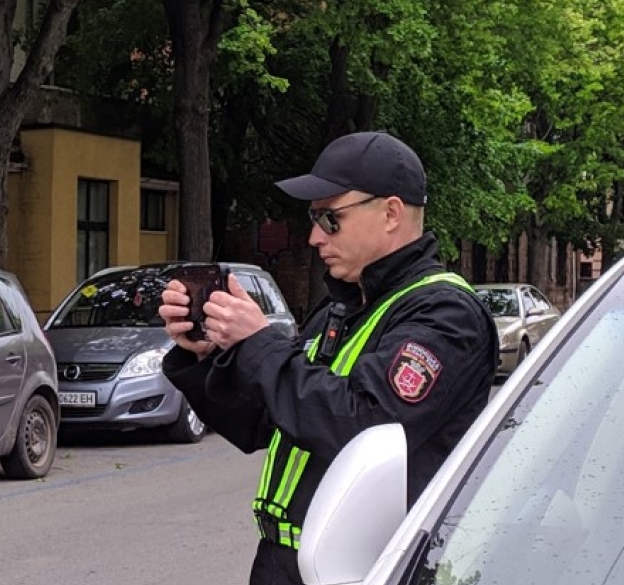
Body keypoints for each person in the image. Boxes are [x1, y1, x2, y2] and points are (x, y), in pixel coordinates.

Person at [159, 131, 499, 585]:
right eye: (313, 218)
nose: (315, 237)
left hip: (372, 571)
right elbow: (262, 421)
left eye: (330, 218)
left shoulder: (445, 313)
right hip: (284, 563)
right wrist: (205, 356)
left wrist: (259, 341)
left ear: (391, 213)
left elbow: (365, 426)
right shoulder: (343, 305)